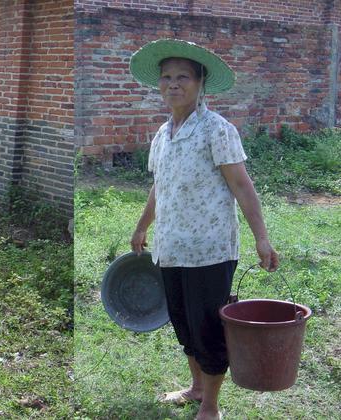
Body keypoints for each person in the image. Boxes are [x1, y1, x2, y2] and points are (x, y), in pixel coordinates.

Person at [128, 39, 279, 420]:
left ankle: (211, 406)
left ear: (200, 84)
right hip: (170, 248)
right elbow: (159, 186)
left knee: (208, 327)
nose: (172, 84)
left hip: (210, 250)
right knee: (182, 323)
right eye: (166, 77)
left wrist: (262, 237)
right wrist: (142, 225)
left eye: (182, 77)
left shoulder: (217, 129)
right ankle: (196, 388)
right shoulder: (164, 134)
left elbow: (242, 185)